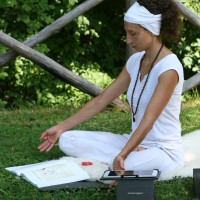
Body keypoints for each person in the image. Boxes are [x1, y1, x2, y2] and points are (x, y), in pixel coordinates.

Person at [38, 0, 184, 184]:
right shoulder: (135, 61)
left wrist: (123, 154)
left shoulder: (169, 68)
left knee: (114, 170)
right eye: (127, 33)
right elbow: (102, 100)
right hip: (133, 142)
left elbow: (149, 118)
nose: (128, 40)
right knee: (67, 139)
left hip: (163, 150)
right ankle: (125, 159)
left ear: (152, 31)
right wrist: (60, 127)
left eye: (133, 34)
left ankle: (123, 161)